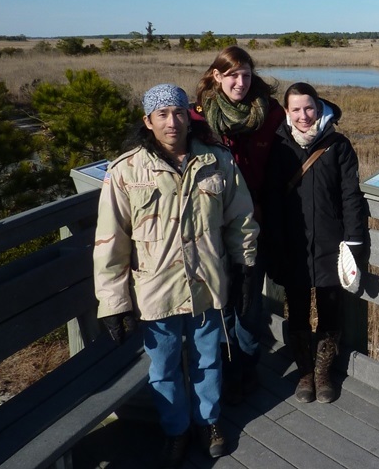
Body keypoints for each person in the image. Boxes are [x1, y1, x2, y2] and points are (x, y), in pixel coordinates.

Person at [93, 83, 258, 468]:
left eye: (179, 112)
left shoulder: (216, 161)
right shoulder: (125, 171)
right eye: (162, 115)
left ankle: (209, 422)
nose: (172, 122)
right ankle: (176, 430)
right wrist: (114, 302)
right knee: (164, 368)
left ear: (189, 115)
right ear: (147, 121)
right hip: (156, 290)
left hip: (207, 284)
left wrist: (246, 268)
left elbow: (241, 219)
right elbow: (110, 241)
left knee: (208, 359)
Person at [265, 82, 369, 404]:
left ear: (319, 106)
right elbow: (271, 198)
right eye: (295, 109)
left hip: (329, 244)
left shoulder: (338, 145)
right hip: (293, 244)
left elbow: (351, 197)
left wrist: (352, 242)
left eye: (309, 108)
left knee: (328, 309)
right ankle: (305, 373)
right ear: (287, 112)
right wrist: (274, 240)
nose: (303, 116)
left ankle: (323, 373)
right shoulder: (279, 146)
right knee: (295, 310)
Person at [192, 46, 285, 405]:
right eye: (232, 75)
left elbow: (298, 133)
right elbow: (161, 141)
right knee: (218, 300)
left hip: (253, 222)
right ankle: (223, 369)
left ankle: (247, 370)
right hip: (210, 223)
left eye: (246, 75)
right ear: (216, 76)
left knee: (247, 300)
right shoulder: (198, 117)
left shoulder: (269, 112)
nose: (240, 83)